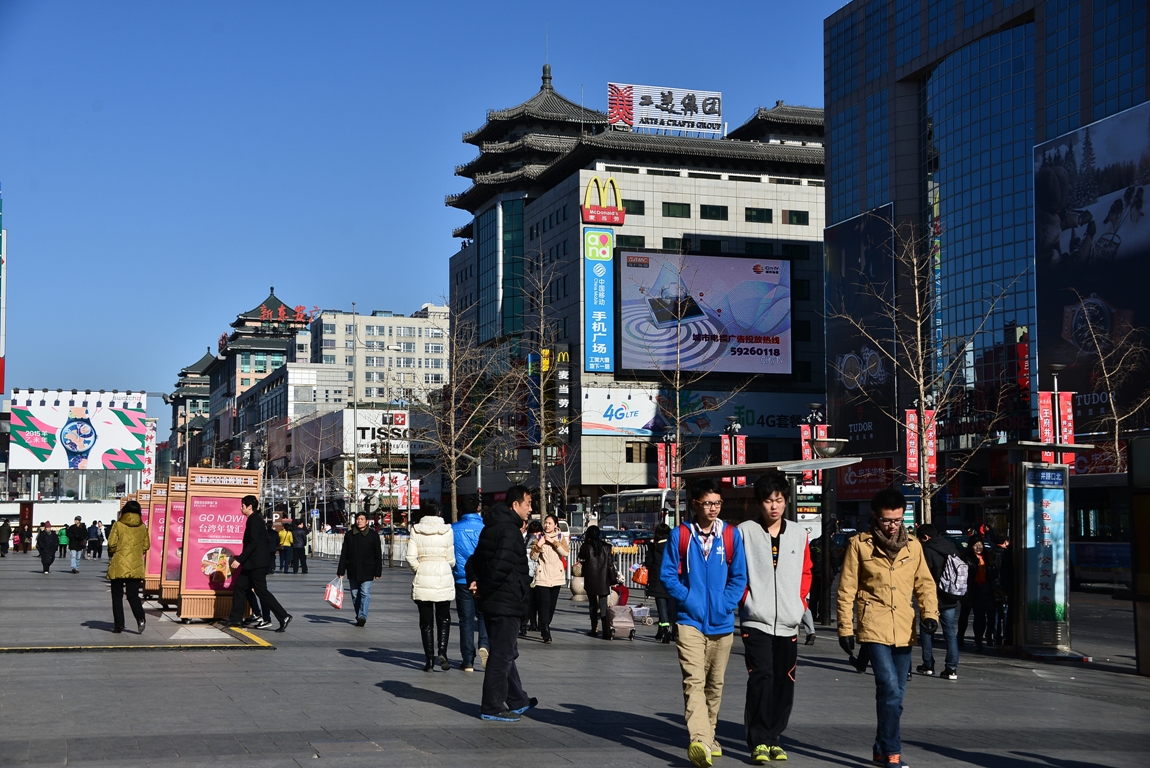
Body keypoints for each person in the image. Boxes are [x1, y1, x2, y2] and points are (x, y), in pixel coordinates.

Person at [837, 488, 939, 768]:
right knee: (890, 688)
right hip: (873, 625)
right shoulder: (860, 545)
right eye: (887, 520)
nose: (893, 526)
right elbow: (846, 589)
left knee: (896, 696)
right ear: (875, 517)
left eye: (897, 520)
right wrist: (845, 629)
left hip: (904, 627)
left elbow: (924, 583)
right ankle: (893, 752)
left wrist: (930, 613)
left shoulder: (914, 546)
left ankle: (881, 746)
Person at [661, 479, 748, 768]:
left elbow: (739, 577)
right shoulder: (681, 535)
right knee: (694, 682)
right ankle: (699, 739)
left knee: (715, 684)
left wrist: (725, 604)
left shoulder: (731, 535)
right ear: (695, 504)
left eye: (717, 503)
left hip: (722, 623)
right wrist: (689, 599)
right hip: (689, 621)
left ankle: (710, 736)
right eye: (708, 503)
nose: (713, 508)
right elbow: (668, 575)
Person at [738, 470, 812, 763]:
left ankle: (774, 737)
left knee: (784, 680)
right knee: (762, 676)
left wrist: (799, 602)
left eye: (779, 500)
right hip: (756, 619)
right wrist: (747, 601)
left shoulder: (798, 533)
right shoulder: (745, 531)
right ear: (760, 503)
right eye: (768, 501)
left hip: (789, 621)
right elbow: (737, 571)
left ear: (786, 502)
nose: (774, 506)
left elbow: (806, 572)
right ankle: (758, 740)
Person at [466, 485, 536, 722]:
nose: (530, 509)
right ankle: (492, 706)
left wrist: (476, 582)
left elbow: (473, 561)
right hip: (505, 601)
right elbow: (501, 566)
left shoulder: (491, 528)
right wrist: (482, 587)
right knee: (501, 656)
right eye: (528, 504)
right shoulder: (509, 531)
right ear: (515, 505)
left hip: (494, 601)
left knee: (506, 651)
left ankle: (517, 700)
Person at [226, 496, 291, 632]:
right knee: (239, 587)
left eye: (243, 505)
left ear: (250, 506)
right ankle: (235, 619)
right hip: (252, 563)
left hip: (256, 564)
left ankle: (283, 616)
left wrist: (239, 559)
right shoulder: (253, 519)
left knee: (261, 591)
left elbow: (253, 543)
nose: (241, 507)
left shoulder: (255, 520)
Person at [408, 499, 456, 671]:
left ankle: (429, 661)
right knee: (444, 617)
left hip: (424, 574)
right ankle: (442, 651)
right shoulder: (447, 530)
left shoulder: (416, 530)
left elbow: (410, 557)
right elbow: (451, 559)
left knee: (426, 622)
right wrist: (444, 565)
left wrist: (420, 569)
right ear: (438, 513)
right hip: (442, 574)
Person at [916, 524, 961, 680]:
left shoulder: (927, 550)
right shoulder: (951, 547)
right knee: (950, 633)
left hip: (933, 597)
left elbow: (924, 575)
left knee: (927, 630)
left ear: (925, 537)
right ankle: (951, 668)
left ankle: (928, 665)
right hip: (950, 595)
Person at [452, 501, 489, 672]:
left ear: (460, 510)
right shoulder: (485, 528)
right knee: (483, 616)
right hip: (482, 577)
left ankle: (467, 660)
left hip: (461, 578)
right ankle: (484, 644)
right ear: (477, 509)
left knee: (465, 620)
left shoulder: (453, 529)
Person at [106, 501, 150, 633]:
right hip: (135, 565)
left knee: (117, 596)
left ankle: (119, 625)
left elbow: (111, 544)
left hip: (119, 564)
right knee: (133, 595)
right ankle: (140, 617)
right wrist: (137, 553)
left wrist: (114, 554)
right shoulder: (142, 527)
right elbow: (146, 545)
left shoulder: (118, 525)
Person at [337, 511, 383, 626]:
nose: (360, 521)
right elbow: (344, 554)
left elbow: (378, 555)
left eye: (362, 519)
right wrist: (341, 570)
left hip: (368, 569)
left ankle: (363, 615)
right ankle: (359, 615)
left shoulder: (373, 535)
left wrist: (378, 571)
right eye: (358, 519)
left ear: (367, 521)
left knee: (365, 592)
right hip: (353, 570)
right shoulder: (349, 535)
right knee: (355, 594)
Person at [530, 513, 569, 644]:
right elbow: (533, 556)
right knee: (544, 604)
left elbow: (566, 552)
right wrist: (539, 544)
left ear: (555, 525)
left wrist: (554, 542)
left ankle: (544, 623)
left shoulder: (560, 537)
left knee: (552, 606)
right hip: (543, 575)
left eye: (550, 523)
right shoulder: (539, 537)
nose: (547, 525)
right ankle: (545, 630)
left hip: (556, 576)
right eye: (545, 523)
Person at [577, 525, 615, 639]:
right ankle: (606, 630)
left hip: (591, 579)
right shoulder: (607, 547)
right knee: (603, 604)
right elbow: (610, 565)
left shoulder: (586, 547)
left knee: (592, 605)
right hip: (603, 580)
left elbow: (581, 558)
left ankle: (594, 628)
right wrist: (613, 579)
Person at [958, 536, 996, 651]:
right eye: (975, 545)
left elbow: (993, 573)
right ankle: (960, 637)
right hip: (970, 590)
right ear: (971, 546)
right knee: (964, 615)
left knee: (981, 617)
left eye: (980, 544)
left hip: (985, 591)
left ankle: (979, 639)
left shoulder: (988, 557)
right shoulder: (965, 558)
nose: (978, 547)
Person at [644, 523, 676, 643]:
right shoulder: (673, 545)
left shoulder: (654, 546)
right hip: (673, 578)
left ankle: (666, 629)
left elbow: (649, 562)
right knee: (670, 606)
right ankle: (664, 631)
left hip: (658, 577)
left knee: (661, 604)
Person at [522, 519, 544, 636]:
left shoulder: (543, 541)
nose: (536, 535)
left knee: (538, 601)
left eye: (538, 532)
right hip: (529, 574)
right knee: (529, 601)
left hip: (539, 575)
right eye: (534, 533)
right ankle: (527, 624)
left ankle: (538, 623)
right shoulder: (527, 541)